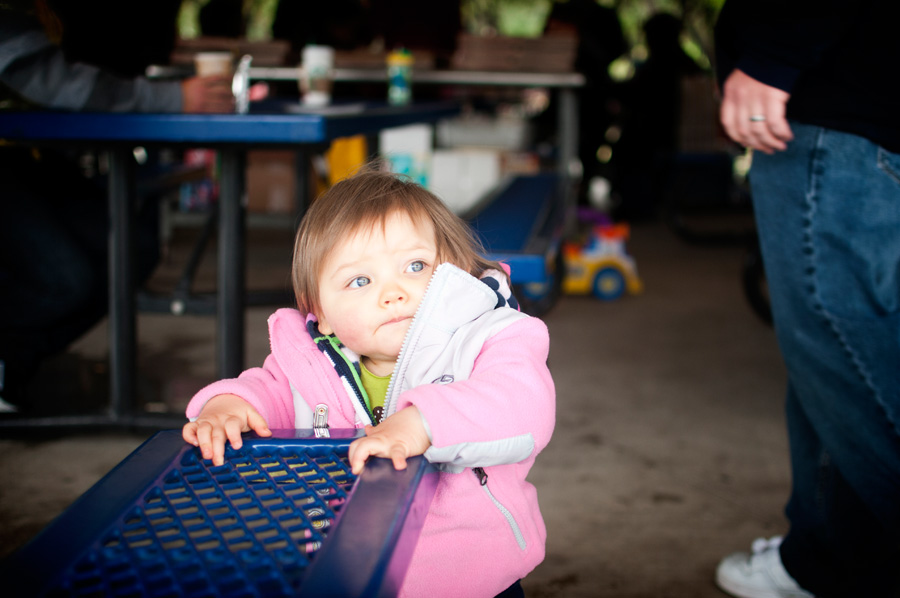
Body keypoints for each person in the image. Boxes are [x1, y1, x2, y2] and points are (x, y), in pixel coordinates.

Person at [183, 167, 556, 598]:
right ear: (319, 310)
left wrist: (423, 424)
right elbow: (267, 391)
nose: (393, 293)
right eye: (360, 280)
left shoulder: (491, 337)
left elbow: (522, 404)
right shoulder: (310, 363)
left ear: (456, 268)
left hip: (476, 578)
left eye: (415, 266)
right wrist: (228, 404)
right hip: (348, 572)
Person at [713, 1, 900, 596]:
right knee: (829, 373)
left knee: (841, 355)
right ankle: (825, 559)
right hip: (859, 115)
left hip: (833, 113)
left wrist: (774, 55)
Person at [0, 0, 235, 410]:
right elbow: (50, 80)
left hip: (32, 156)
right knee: (64, 278)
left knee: (131, 248)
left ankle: (11, 366)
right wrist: (168, 97)